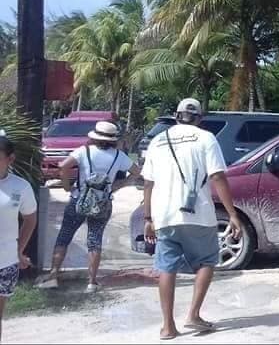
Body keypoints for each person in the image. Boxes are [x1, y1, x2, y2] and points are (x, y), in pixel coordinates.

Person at [143, 98, 242, 340]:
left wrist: (148, 217)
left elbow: (148, 182)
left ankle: (168, 327)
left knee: (167, 268)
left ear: (176, 116)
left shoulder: (158, 141)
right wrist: (232, 214)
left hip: (164, 214)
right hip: (199, 214)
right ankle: (193, 315)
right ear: (199, 118)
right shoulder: (206, 138)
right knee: (207, 261)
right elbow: (217, 177)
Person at [38, 120, 135, 292]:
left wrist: (67, 186)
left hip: (78, 199)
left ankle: (53, 276)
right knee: (94, 240)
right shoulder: (119, 156)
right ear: (113, 139)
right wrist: (120, 184)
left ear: (95, 137)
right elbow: (138, 172)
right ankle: (91, 282)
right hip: (103, 203)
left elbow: (63, 165)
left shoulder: (84, 151)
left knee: (64, 237)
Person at [0, 132, 37, 341]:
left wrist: (18, 251)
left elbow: (30, 219)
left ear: (10, 159)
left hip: (5, 261)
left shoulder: (20, 187)